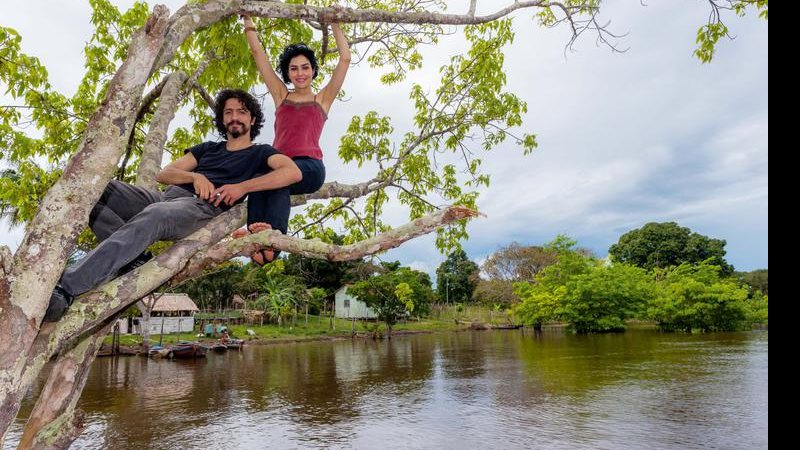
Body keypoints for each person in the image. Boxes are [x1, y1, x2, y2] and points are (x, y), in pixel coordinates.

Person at [43, 89, 302, 322]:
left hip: (201, 208)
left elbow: (292, 173)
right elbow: (164, 174)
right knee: (93, 187)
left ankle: (67, 289)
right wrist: (194, 176)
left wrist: (242, 187)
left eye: (242, 112)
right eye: (229, 112)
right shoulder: (207, 148)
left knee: (155, 214)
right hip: (166, 196)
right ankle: (135, 258)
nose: (235, 117)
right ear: (223, 120)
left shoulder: (260, 153)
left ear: (252, 119)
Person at [234, 15, 351, 265]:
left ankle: (274, 241)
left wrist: (335, 23)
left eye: (305, 67)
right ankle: (257, 243)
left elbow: (344, 59)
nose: (300, 73)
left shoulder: (323, 99)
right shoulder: (281, 96)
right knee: (259, 179)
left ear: (313, 70)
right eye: (294, 68)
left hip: (308, 168)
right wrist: (247, 18)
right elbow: (258, 55)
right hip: (279, 166)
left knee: (279, 179)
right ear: (287, 73)